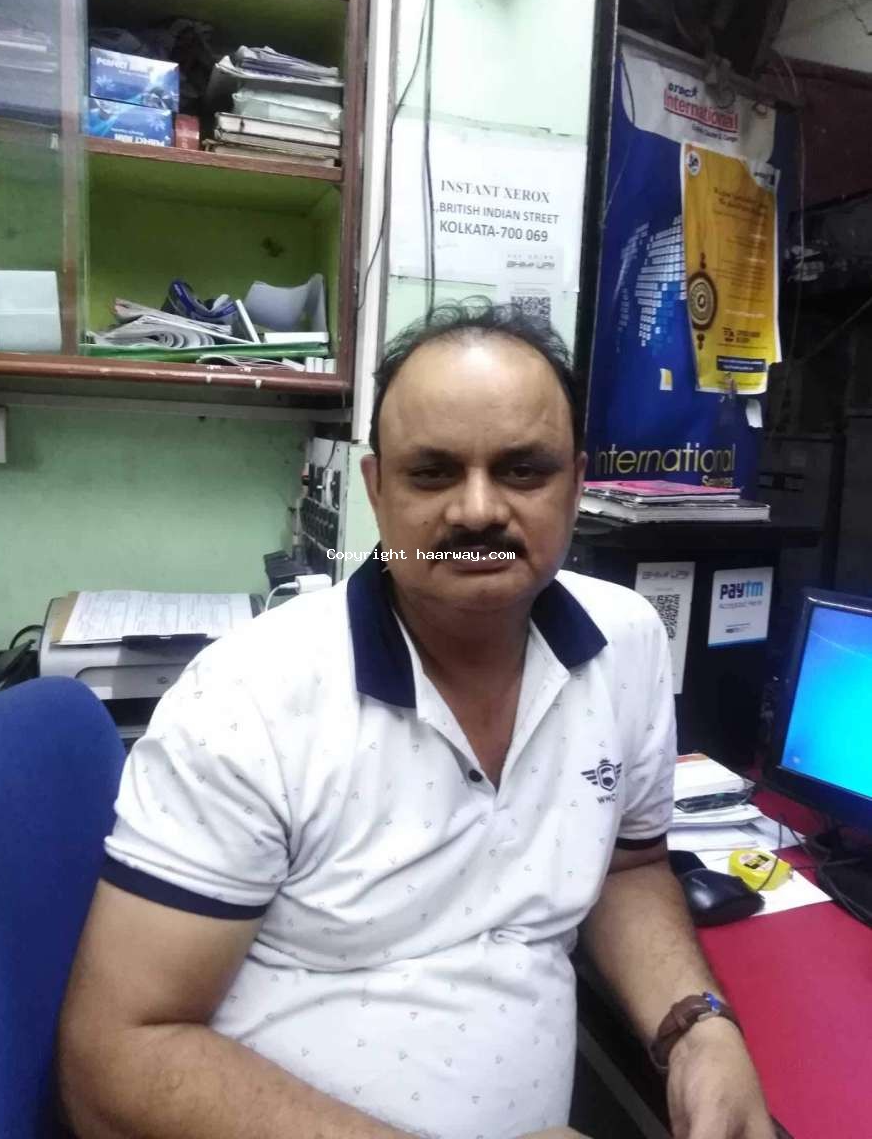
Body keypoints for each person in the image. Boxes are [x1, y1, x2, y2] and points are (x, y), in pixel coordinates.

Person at [59, 302, 775, 1139]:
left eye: (523, 470)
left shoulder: (629, 643)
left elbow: (628, 867)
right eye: (432, 473)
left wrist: (696, 1026)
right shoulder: (247, 699)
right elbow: (115, 1057)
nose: (477, 510)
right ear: (376, 490)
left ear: (578, 484)